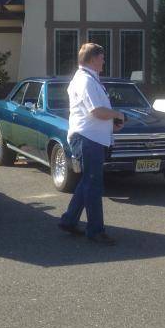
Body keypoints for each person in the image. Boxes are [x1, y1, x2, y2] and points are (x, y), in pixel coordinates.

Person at [58, 43, 126, 245]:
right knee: (93, 184)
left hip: (92, 138)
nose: (104, 61)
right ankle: (95, 231)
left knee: (88, 181)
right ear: (93, 58)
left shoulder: (90, 79)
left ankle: (69, 220)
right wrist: (118, 115)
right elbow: (96, 111)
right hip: (87, 139)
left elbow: (96, 113)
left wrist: (112, 124)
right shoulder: (85, 81)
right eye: (102, 57)